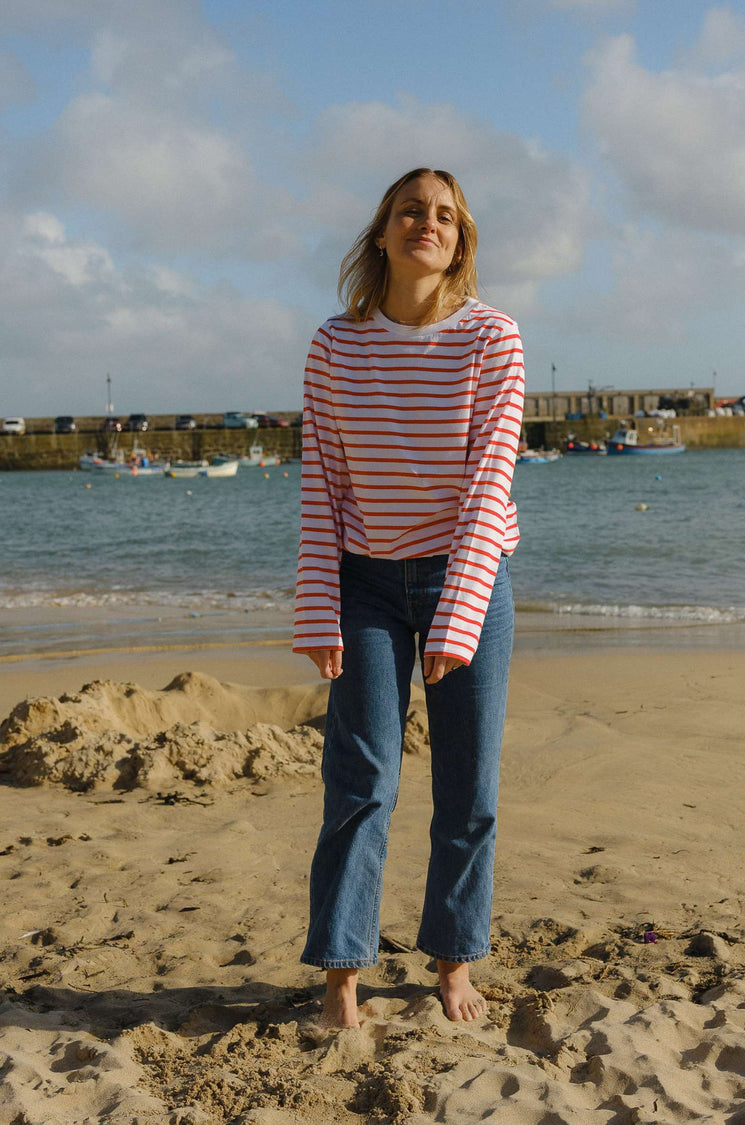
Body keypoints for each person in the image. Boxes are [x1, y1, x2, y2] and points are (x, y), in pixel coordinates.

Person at [293, 167, 525, 1028]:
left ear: (460, 243)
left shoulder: (492, 339)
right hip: (364, 581)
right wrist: (318, 605)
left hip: (469, 573)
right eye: (410, 211)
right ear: (383, 233)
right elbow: (324, 484)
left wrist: (458, 616)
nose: (427, 222)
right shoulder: (334, 345)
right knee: (362, 777)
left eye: (445, 216)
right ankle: (341, 975)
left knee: (469, 783)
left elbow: (487, 481)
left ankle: (454, 962)